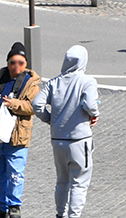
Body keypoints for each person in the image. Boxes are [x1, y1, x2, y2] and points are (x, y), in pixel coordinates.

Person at [32, 46, 99, 218]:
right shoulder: (87, 81)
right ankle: (74, 215)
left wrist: (50, 119)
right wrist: (94, 114)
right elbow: (91, 105)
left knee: (62, 180)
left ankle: (60, 214)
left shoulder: (54, 82)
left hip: (57, 139)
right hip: (79, 139)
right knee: (79, 182)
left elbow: (36, 104)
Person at [0, 43, 40, 218]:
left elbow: (32, 106)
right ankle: (0, 205)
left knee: (15, 173)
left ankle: (14, 207)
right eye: (13, 62)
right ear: (8, 62)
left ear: (26, 63)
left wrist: (13, 104)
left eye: (21, 62)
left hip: (17, 136)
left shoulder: (31, 83)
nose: (16, 66)